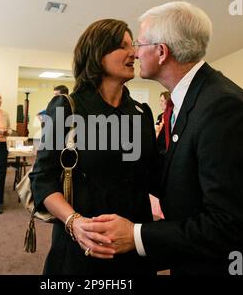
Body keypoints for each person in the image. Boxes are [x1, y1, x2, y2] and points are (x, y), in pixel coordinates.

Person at [81, 2, 243, 275]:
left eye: (139, 43)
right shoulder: (190, 99)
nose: (135, 52)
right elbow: (172, 175)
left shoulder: (222, 108)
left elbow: (230, 223)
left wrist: (136, 235)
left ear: (161, 52)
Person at [29, 19, 160, 275]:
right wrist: (75, 223)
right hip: (82, 244)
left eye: (131, 45)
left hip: (132, 245)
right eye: (121, 46)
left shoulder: (141, 112)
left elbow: (155, 176)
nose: (133, 53)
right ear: (98, 54)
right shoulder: (68, 108)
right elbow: (43, 179)